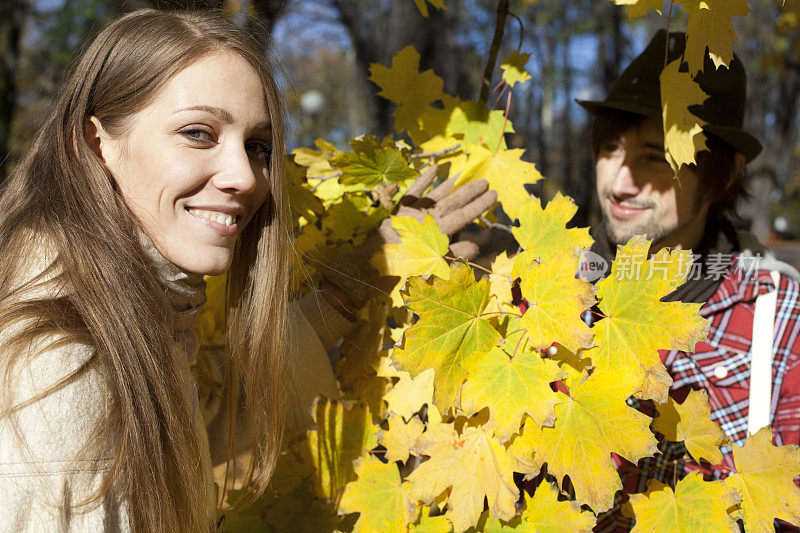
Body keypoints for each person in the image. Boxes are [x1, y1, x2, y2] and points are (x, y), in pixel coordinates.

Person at [0, 9, 495, 532]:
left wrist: (351, 284)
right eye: (197, 133)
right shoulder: (60, 370)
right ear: (95, 145)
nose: (245, 176)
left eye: (258, 146)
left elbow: (196, 427)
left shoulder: (131, 319)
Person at [576, 30, 800, 530]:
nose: (619, 182)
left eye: (654, 157)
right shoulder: (546, 291)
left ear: (721, 175)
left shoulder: (777, 313)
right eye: (610, 148)